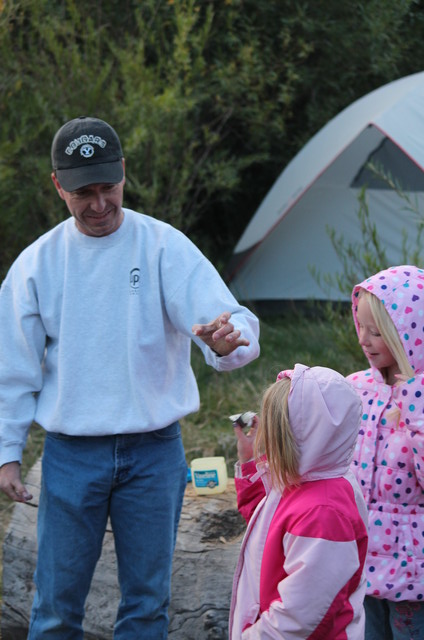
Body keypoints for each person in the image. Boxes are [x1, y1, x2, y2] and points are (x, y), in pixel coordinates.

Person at [0, 116, 260, 640]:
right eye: (83, 192)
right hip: (71, 454)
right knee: (54, 607)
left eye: (107, 187)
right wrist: (7, 452)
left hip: (154, 451)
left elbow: (235, 323)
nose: (98, 204)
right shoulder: (37, 265)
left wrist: (227, 340)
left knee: (146, 606)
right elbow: (12, 369)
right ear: (58, 185)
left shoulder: (163, 247)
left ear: (123, 171)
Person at [229, 363, 368, 639]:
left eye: (273, 430)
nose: (265, 437)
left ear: (298, 437)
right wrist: (250, 462)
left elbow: (301, 617)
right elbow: (264, 525)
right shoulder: (304, 480)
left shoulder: (322, 512)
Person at [347, 265, 424, 639]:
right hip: (362, 554)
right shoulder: (357, 388)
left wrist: (415, 409)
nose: (364, 339)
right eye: (360, 327)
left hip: (414, 566)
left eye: (377, 331)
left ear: (411, 333)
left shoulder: (421, 399)